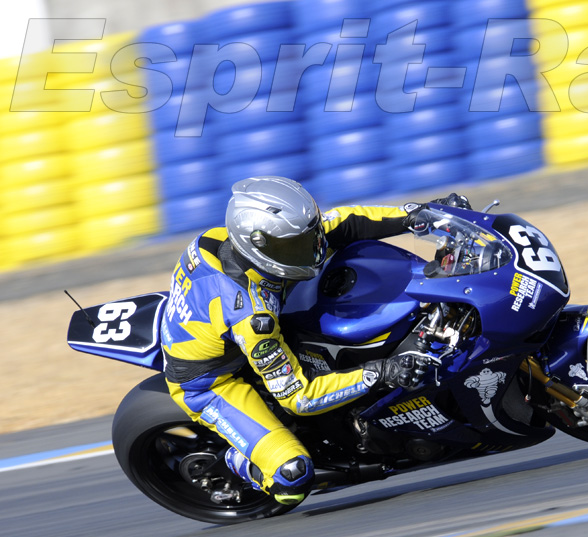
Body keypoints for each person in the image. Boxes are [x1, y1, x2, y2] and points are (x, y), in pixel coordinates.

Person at [160, 175, 471, 505]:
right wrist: (381, 371)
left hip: (218, 325)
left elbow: (344, 222)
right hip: (213, 383)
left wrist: (422, 215)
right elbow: (299, 399)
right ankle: (236, 464)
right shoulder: (254, 319)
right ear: (258, 246)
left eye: (309, 235)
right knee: (291, 479)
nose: (313, 247)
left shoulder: (233, 239)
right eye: (296, 245)